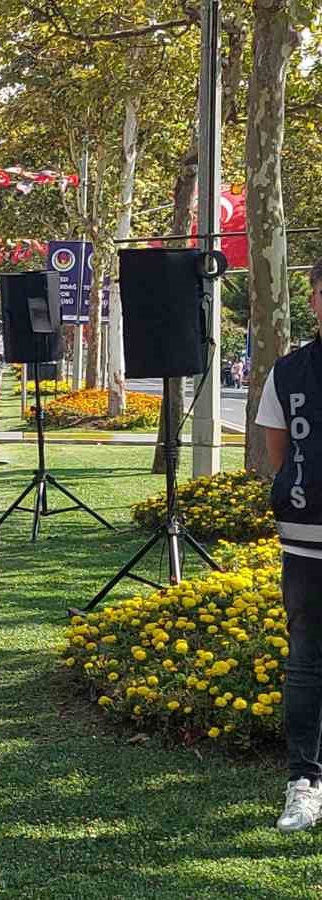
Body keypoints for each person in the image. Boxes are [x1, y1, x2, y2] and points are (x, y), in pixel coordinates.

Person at [261, 259, 322, 834]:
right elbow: (281, 456)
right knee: (307, 663)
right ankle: (305, 780)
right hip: (308, 544)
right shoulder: (287, 372)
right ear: (313, 297)